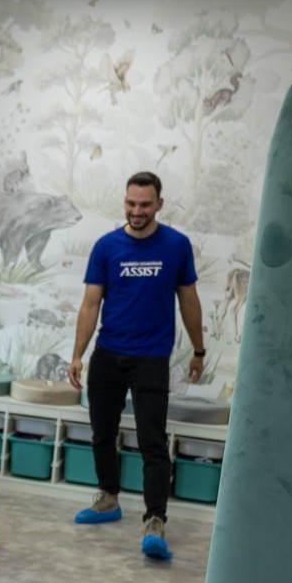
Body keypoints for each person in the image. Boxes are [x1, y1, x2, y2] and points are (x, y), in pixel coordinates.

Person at [67, 171, 205, 560]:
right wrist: (77, 354)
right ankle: (108, 499)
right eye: (131, 203)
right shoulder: (106, 246)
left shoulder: (176, 246)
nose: (137, 211)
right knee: (101, 433)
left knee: (152, 441)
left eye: (145, 204)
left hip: (151, 358)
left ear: (159, 203)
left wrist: (199, 350)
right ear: (124, 201)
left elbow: (189, 300)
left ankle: (155, 520)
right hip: (108, 355)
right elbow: (90, 304)